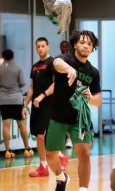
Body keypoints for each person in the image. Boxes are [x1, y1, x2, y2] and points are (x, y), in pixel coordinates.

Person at [46, 30, 102, 191]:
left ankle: (83, 189)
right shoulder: (66, 59)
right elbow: (57, 63)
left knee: (84, 152)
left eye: (89, 44)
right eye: (83, 42)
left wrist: (90, 97)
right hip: (58, 115)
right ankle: (61, 177)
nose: (86, 46)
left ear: (92, 48)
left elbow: (98, 101)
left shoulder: (93, 72)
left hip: (80, 118)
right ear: (75, 44)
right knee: (51, 156)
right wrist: (70, 70)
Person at [22, 37, 67, 177]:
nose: (40, 49)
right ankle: (43, 166)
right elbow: (31, 87)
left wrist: (42, 95)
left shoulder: (53, 63)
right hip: (37, 106)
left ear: (48, 47)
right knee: (39, 136)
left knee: (46, 137)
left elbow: (56, 84)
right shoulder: (35, 66)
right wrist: (25, 105)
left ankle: (59, 156)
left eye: (43, 46)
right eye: (38, 46)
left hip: (50, 105)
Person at [0, 49, 33, 159]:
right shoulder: (18, 68)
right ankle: (27, 149)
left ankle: (7, 151)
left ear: (3, 57)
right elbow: (23, 83)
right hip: (16, 99)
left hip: (3, 99)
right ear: (13, 57)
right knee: (21, 124)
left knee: (6, 125)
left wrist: (3, 86)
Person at [60, 40, 73, 149]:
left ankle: (70, 138)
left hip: (71, 91)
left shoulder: (73, 59)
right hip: (61, 92)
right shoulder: (58, 60)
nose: (64, 48)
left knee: (70, 116)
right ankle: (63, 138)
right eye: (63, 47)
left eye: (66, 47)